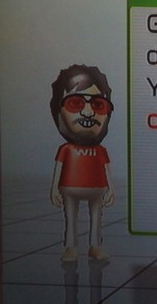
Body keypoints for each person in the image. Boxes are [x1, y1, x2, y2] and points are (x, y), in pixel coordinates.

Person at [49, 64, 115, 261]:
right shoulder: (66, 149)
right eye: (75, 103)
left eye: (98, 105)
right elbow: (59, 168)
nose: (87, 113)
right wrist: (54, 189)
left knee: (96, 218)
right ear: (58, 110)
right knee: (71, 217)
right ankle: (70, 247)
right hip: (69, 188)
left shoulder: (100, 150)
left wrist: (111, 189)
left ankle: (95, 246)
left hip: (97, 188)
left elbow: (107, 168)